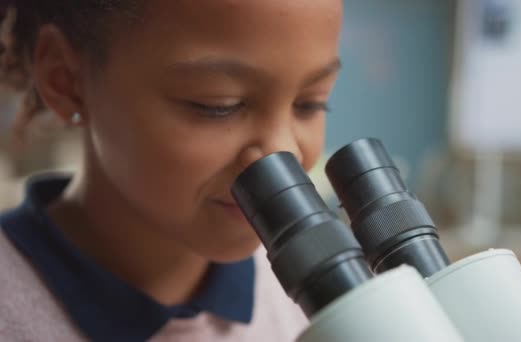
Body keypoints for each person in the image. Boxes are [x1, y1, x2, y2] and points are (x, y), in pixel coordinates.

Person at [0, 0, 343, 341]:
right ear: (68, 81)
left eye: (310, 103)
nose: (283, 155)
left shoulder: (308, 299)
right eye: (218, 104)